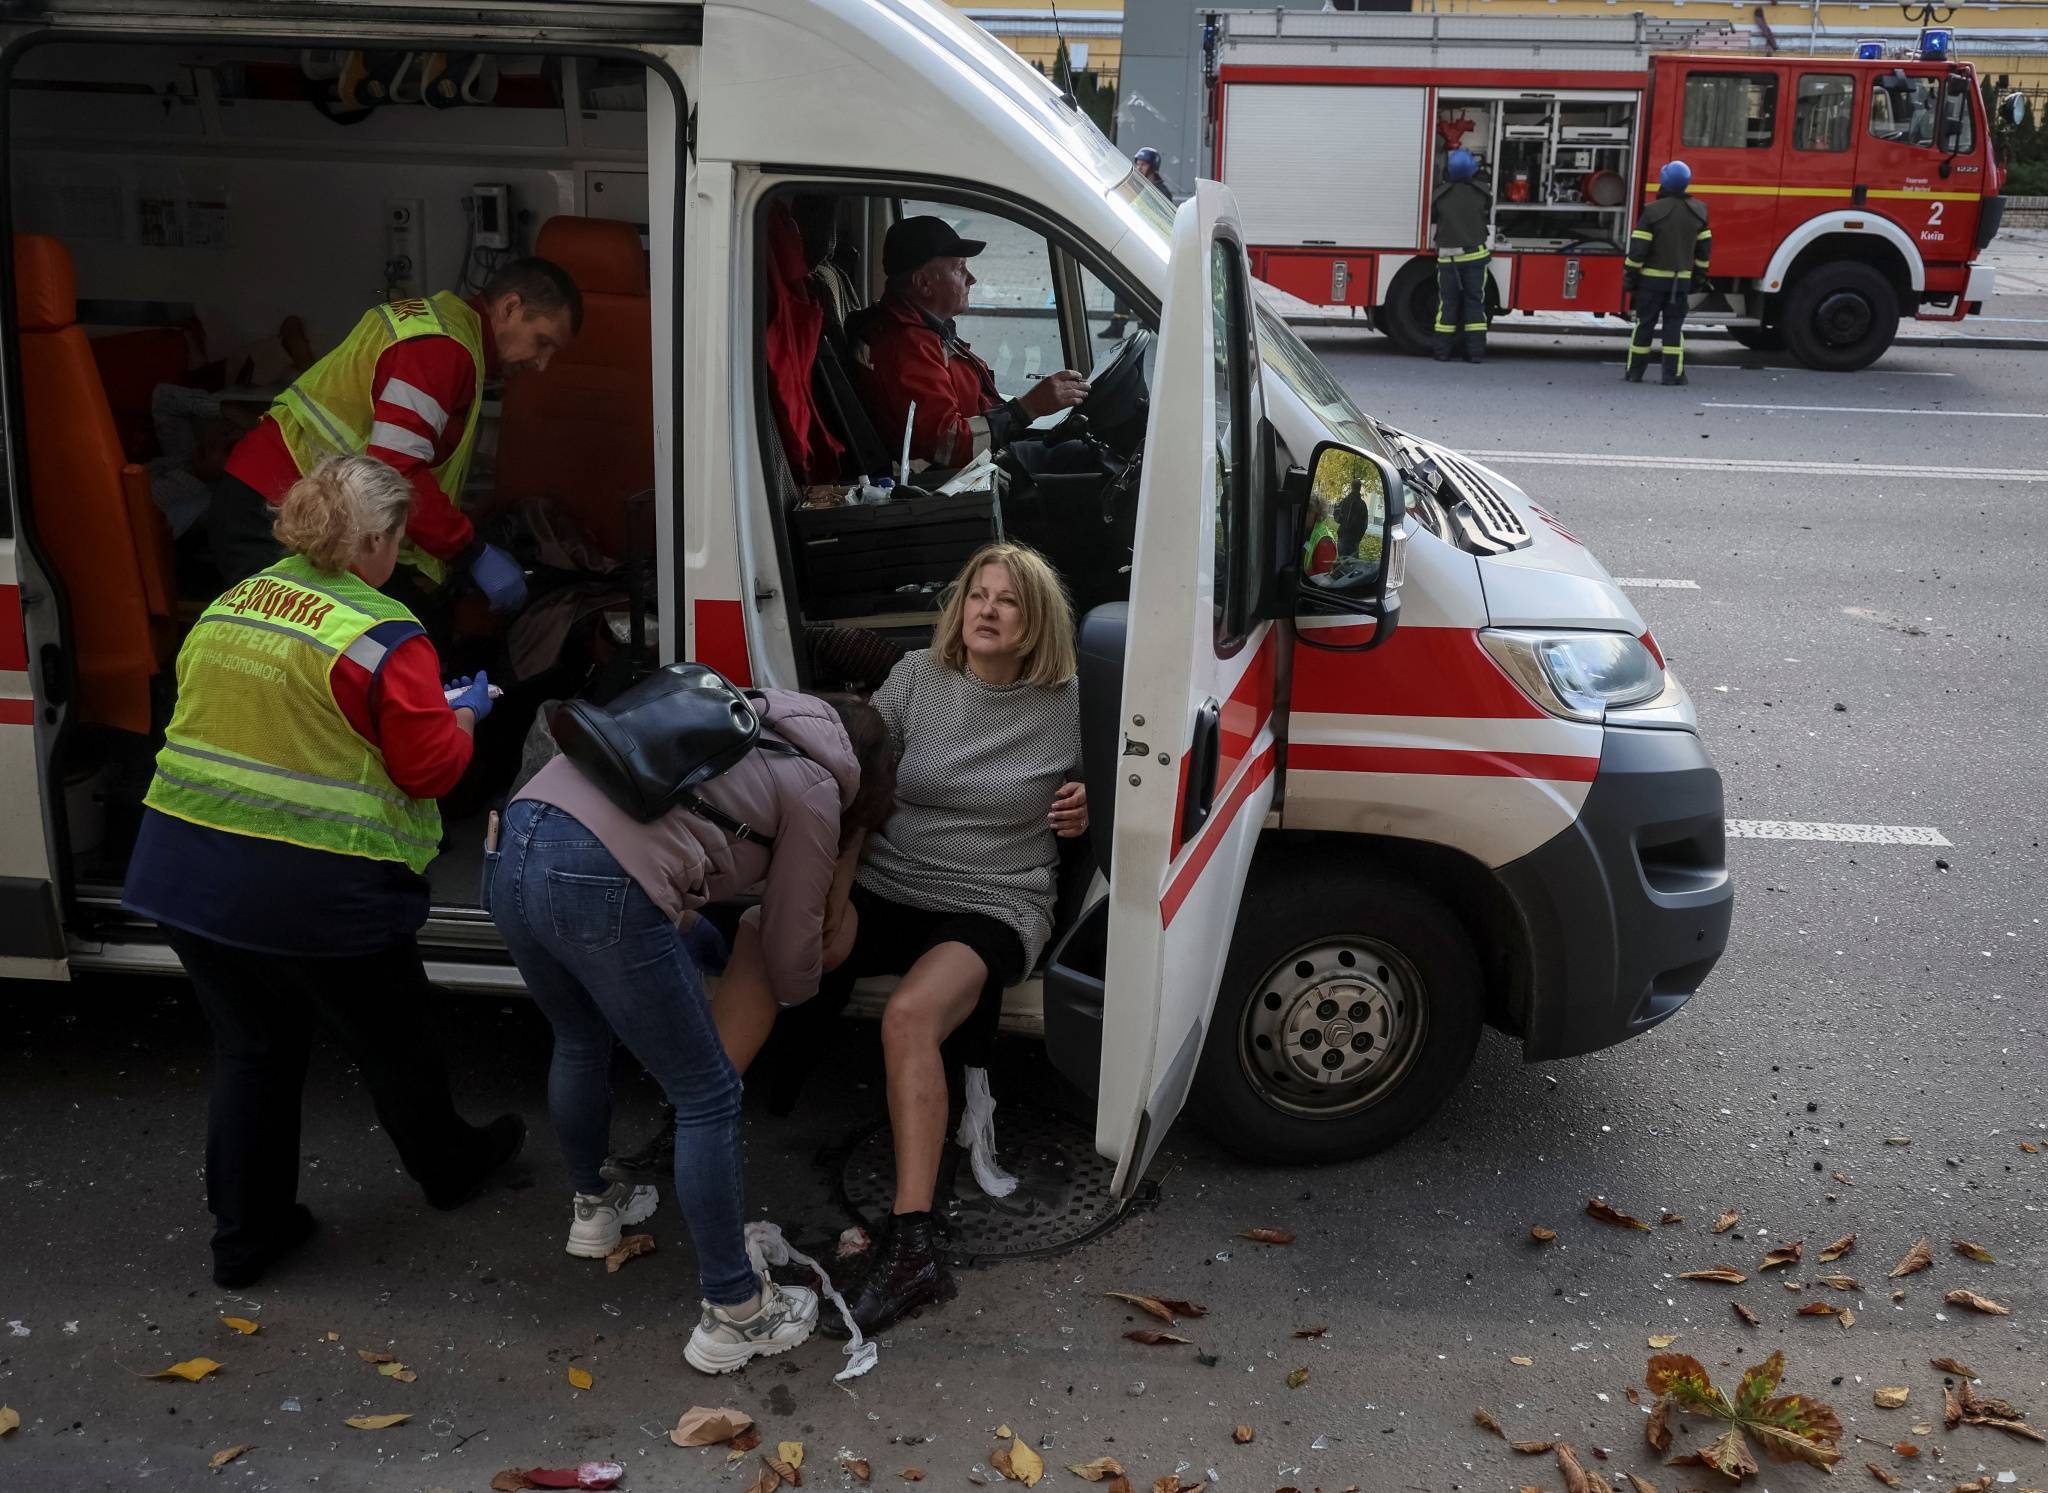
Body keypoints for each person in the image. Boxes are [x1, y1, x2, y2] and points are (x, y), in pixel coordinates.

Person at [121, 454, 523, 1289]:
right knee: (393, 1038)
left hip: (181, 870)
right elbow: (430, 772)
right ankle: (451, 1168)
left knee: (253, 1049)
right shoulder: (383, 634)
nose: (404, 555)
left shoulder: (232, 600)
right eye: (400, 538)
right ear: (375, 537)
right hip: (314, 891)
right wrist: (463, 716)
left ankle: (246, 1238)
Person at [491, 688, 900, 1374]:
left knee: (580, 1036)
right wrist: (797, 987)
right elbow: (789, 940)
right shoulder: (817, 785)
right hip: (600, 876)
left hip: (515, 844)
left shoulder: (729, 714)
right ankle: (737, 1311)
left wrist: (699, 943)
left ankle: (596, 1207)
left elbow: (661, 845)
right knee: (708, 1092)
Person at [810, 542, 1087, 1336]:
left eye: (1008, 601)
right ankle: (692, 1134)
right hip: (891, 877)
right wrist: (828, 892)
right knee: (776, 938)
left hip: (994, 895)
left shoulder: (1070, 700)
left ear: (1036, 624)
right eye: (978, 595)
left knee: (908, 1016)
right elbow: (857, 777)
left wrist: (1090, 805)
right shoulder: (915, 678)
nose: (988, 610)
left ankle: (913, 1245)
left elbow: (1130, 774)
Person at [209, 258, 584, 610]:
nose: (542, 364)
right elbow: (396, 472)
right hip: (274, 508)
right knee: (289, 657)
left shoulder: (442, 327)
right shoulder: (443, 349)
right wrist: (470, 550)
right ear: (510, 308)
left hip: (289, 503)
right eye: (543, 342)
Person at [848, 217, 1089, 472]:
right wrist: (1028, 407)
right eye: (959, 268)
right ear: (923, 283)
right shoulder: (905, 346)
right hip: (960, 481)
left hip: (980, 460)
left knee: (1076, 452)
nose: (971, 278)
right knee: (1083, 462)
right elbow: (949, 445)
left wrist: (1021, 415)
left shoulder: (925, 330)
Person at [1624, 161, 1713, 386]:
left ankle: (1635, 373)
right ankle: (1672, 375)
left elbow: (1638, 251)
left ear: (1663, 181)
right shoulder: (1699, 211)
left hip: (1651, 283)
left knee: (1644, 325)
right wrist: (1700, 277)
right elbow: (1704, 251)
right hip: (1680, 283)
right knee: (1674, 327)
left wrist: (1630, 274)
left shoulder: (1652, 211)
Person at [1432, 148, 1492, 364]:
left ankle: (1442, 352)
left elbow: (1433, 215)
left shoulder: (1440, 195)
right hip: (1475, 257)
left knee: (1447, 305)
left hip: (1449, 259)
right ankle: (1475, 353)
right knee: (1475, 304)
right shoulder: (1482, 193)